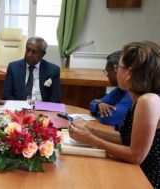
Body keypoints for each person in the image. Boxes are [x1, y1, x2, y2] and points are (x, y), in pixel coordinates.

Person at [68, 41, 160, 188]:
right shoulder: (138, 97)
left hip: (146, 179)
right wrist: (90, 130)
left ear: (130, 72)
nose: (116, 72)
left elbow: (136, 156)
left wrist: (91, 139)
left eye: (119, 68)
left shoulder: (148, 101)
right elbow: (126, 138)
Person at [3, 37, 60, 102]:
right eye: (28, 50)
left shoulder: (53, 70)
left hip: (42, 109)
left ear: (42, 54)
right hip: (19, 109)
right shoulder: (13, 67)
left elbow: (55, 99)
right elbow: (6, 96)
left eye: (34, 52)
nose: (29, 55)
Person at [89, 51, 132, 127]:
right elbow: (93, 103)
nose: (107, 75)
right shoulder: (119, 89)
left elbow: (109, 118)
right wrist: (99, 104)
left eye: (108, 71)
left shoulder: (132, 92)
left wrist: (99, 111)